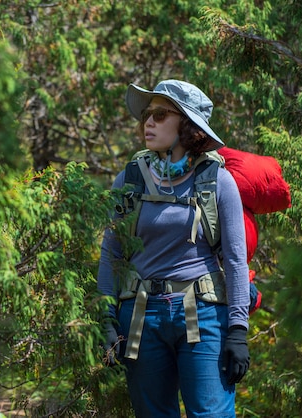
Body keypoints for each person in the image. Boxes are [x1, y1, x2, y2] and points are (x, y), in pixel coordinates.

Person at [98, 79, 250, 417]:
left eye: (160, 114)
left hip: (203, 314)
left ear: (186, 124)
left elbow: (237, 261)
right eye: (147, 115)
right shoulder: (130, 179)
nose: (148, 122)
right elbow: (112, 252)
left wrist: (238, 331)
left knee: (209, 414)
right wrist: (106, 317)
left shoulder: (216, 181)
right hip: (140, 317)